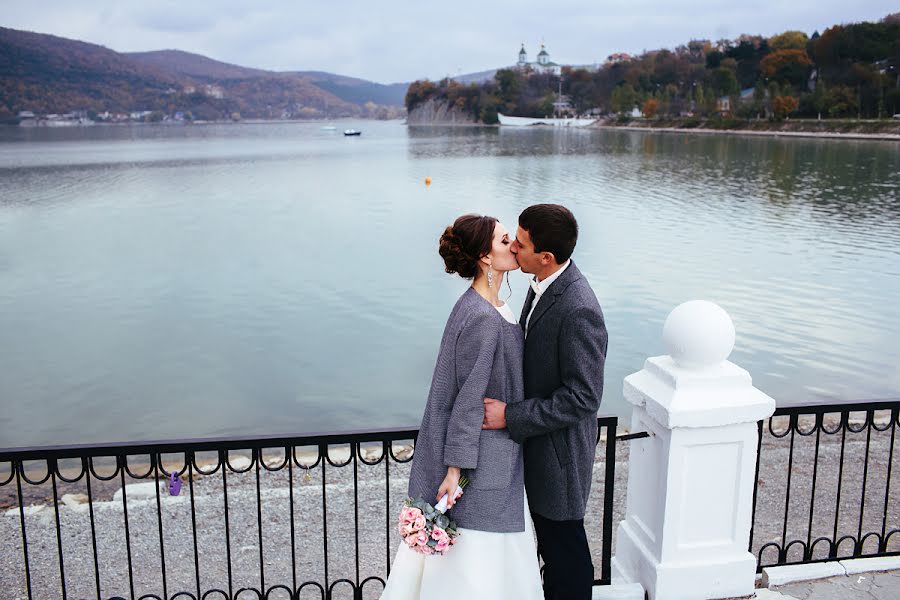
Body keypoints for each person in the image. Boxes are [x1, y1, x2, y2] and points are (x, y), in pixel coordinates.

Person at [380, 214, 543, 600]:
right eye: (506, 241)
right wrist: (455, 470)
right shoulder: (484, 318)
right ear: (486, 257)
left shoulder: (490, 306)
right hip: (483, 460)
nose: (515, 246)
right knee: (480, 561)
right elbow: (466, 400)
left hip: (497, 453)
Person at [483, 204, 608, 600]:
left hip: (559, 457)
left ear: (545, 257)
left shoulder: (578, 307)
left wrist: (511, 416)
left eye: (521, 243)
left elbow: (583, 397)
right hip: (537, 447)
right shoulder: (544, 284)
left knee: (565, 554)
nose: (514, 248)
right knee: (550, 548)